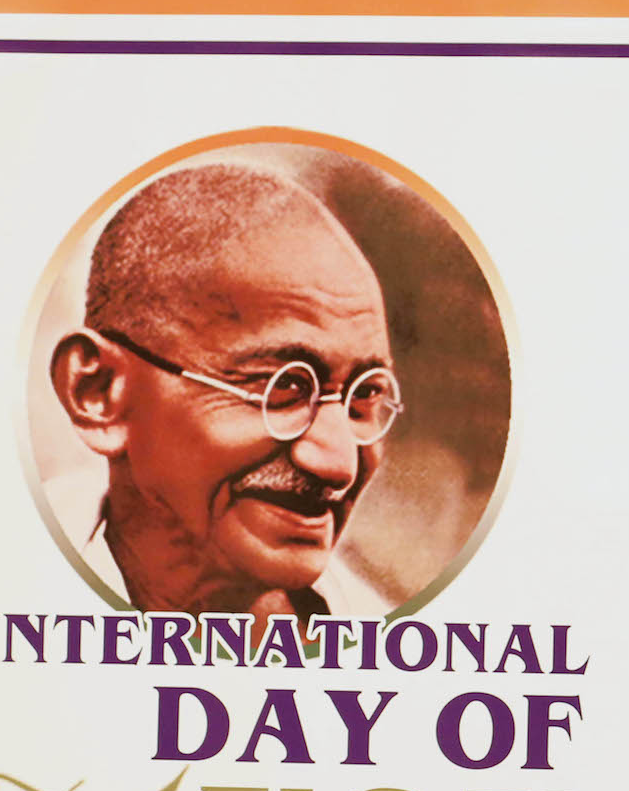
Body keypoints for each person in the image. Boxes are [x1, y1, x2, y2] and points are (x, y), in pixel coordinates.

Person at [48, 162, 402, 625]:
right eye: (285, 388)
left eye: (364, 397)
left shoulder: (387, 647)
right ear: (98, 392)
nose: (338, 465)